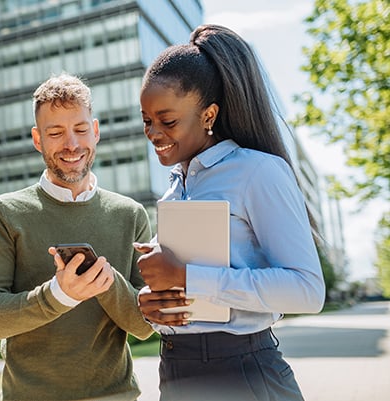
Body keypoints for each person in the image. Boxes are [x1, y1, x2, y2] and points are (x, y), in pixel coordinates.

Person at [133, 24, 326, 401]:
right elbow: (188, 292)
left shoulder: (258, 172)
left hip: (242, 372)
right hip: (175, 372)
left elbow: (307, 291)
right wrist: (151, 304)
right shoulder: (175, 188)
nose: (154, 133)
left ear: (209, 115)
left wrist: (188, 277)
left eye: (167, 121)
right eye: (147, 121)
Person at [0, 73, 154, 401]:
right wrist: (59, 294)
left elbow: (144, 325)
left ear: (95, 132)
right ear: (38, 139)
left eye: (81, 130)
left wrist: (106, 282)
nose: (71, 144)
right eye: (55, 133)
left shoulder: (131, 214)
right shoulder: (4, 213)